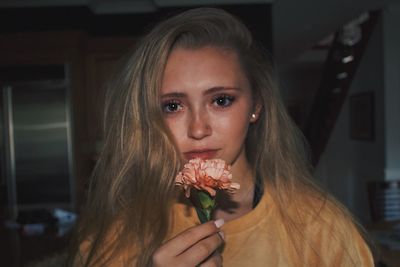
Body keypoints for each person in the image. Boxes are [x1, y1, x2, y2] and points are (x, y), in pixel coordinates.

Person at [70, 7, 374, 267]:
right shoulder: (118, 235)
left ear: (255, 106)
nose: (198, 129)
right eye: (172, 106)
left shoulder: (322, 229)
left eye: (221, 100)